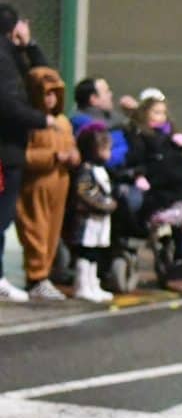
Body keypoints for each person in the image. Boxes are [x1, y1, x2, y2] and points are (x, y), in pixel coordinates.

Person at [0, 4, 55, 302]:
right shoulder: (4, 59)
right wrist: (41, 120)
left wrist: (28, 46)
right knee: (2, 214)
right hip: (5, 151)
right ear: (14, 28)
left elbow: (43, 77)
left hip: (9, 150)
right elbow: (9, 104)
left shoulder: (11, 56)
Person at [124, 95, 182, 276]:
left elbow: (177, 151)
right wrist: (139, 175)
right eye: (156, 112)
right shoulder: (140, 135)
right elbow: (136, 158)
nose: (161, 116)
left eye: (163, 112)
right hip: (159, 182)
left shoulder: (167, 134)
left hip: (178, 182)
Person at [16, 66, 78, 301]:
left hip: (59, 182)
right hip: (35, 184)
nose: (51, 98)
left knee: (52, 231)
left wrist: (73, 156)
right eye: (46, 93)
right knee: (35, 231)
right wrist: (52, 157)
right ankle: (36, 277)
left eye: (55, 93)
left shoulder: (62, 121)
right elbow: (23, 155)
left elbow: (72, 145)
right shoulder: (30, 122)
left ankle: (45, 274)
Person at [65, 127, 119, 303]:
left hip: (100, 219)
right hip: (88, 218)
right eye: (105, 149)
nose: (108, 154)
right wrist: (103, 204)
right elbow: (84, 191)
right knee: (85, 251)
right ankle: (82, 284)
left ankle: (93, 283)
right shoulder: (86, 170)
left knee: (95, 251)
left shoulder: (101, 170)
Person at [70, 77, 136, 167]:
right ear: (93, 99)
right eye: (106, 92)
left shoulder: (113, 118)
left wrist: (135, 113)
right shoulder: (84, 123)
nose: (111, 94)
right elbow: (104, 154)